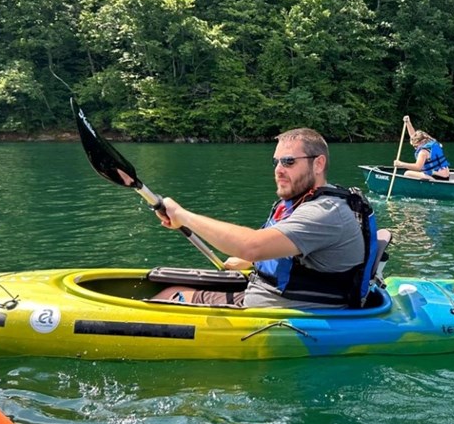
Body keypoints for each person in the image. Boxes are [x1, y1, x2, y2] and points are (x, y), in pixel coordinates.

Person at [154, 128, 371, 309]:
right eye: (276, 162)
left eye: (288, 162)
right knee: (166, 285)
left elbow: (251, 246)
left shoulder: (324, 212)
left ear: (318, 164)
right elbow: (284, 252)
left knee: (169, 295)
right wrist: (251, 262)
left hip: (284, 308)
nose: (278, 170)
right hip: (269, 292)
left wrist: (182, 215)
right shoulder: (301, 200)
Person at [393, 115, 450, 180]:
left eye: (416, 146)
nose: (415, 148)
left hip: (437, 177)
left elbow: (418, 167)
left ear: (422, 141)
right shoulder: (431, 141)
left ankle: (431, 180)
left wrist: (401, 164)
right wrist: (408, 122)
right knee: (422, 170)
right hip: (445, 175)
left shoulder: (423, 152)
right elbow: (413, 136)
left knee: (407, 174)